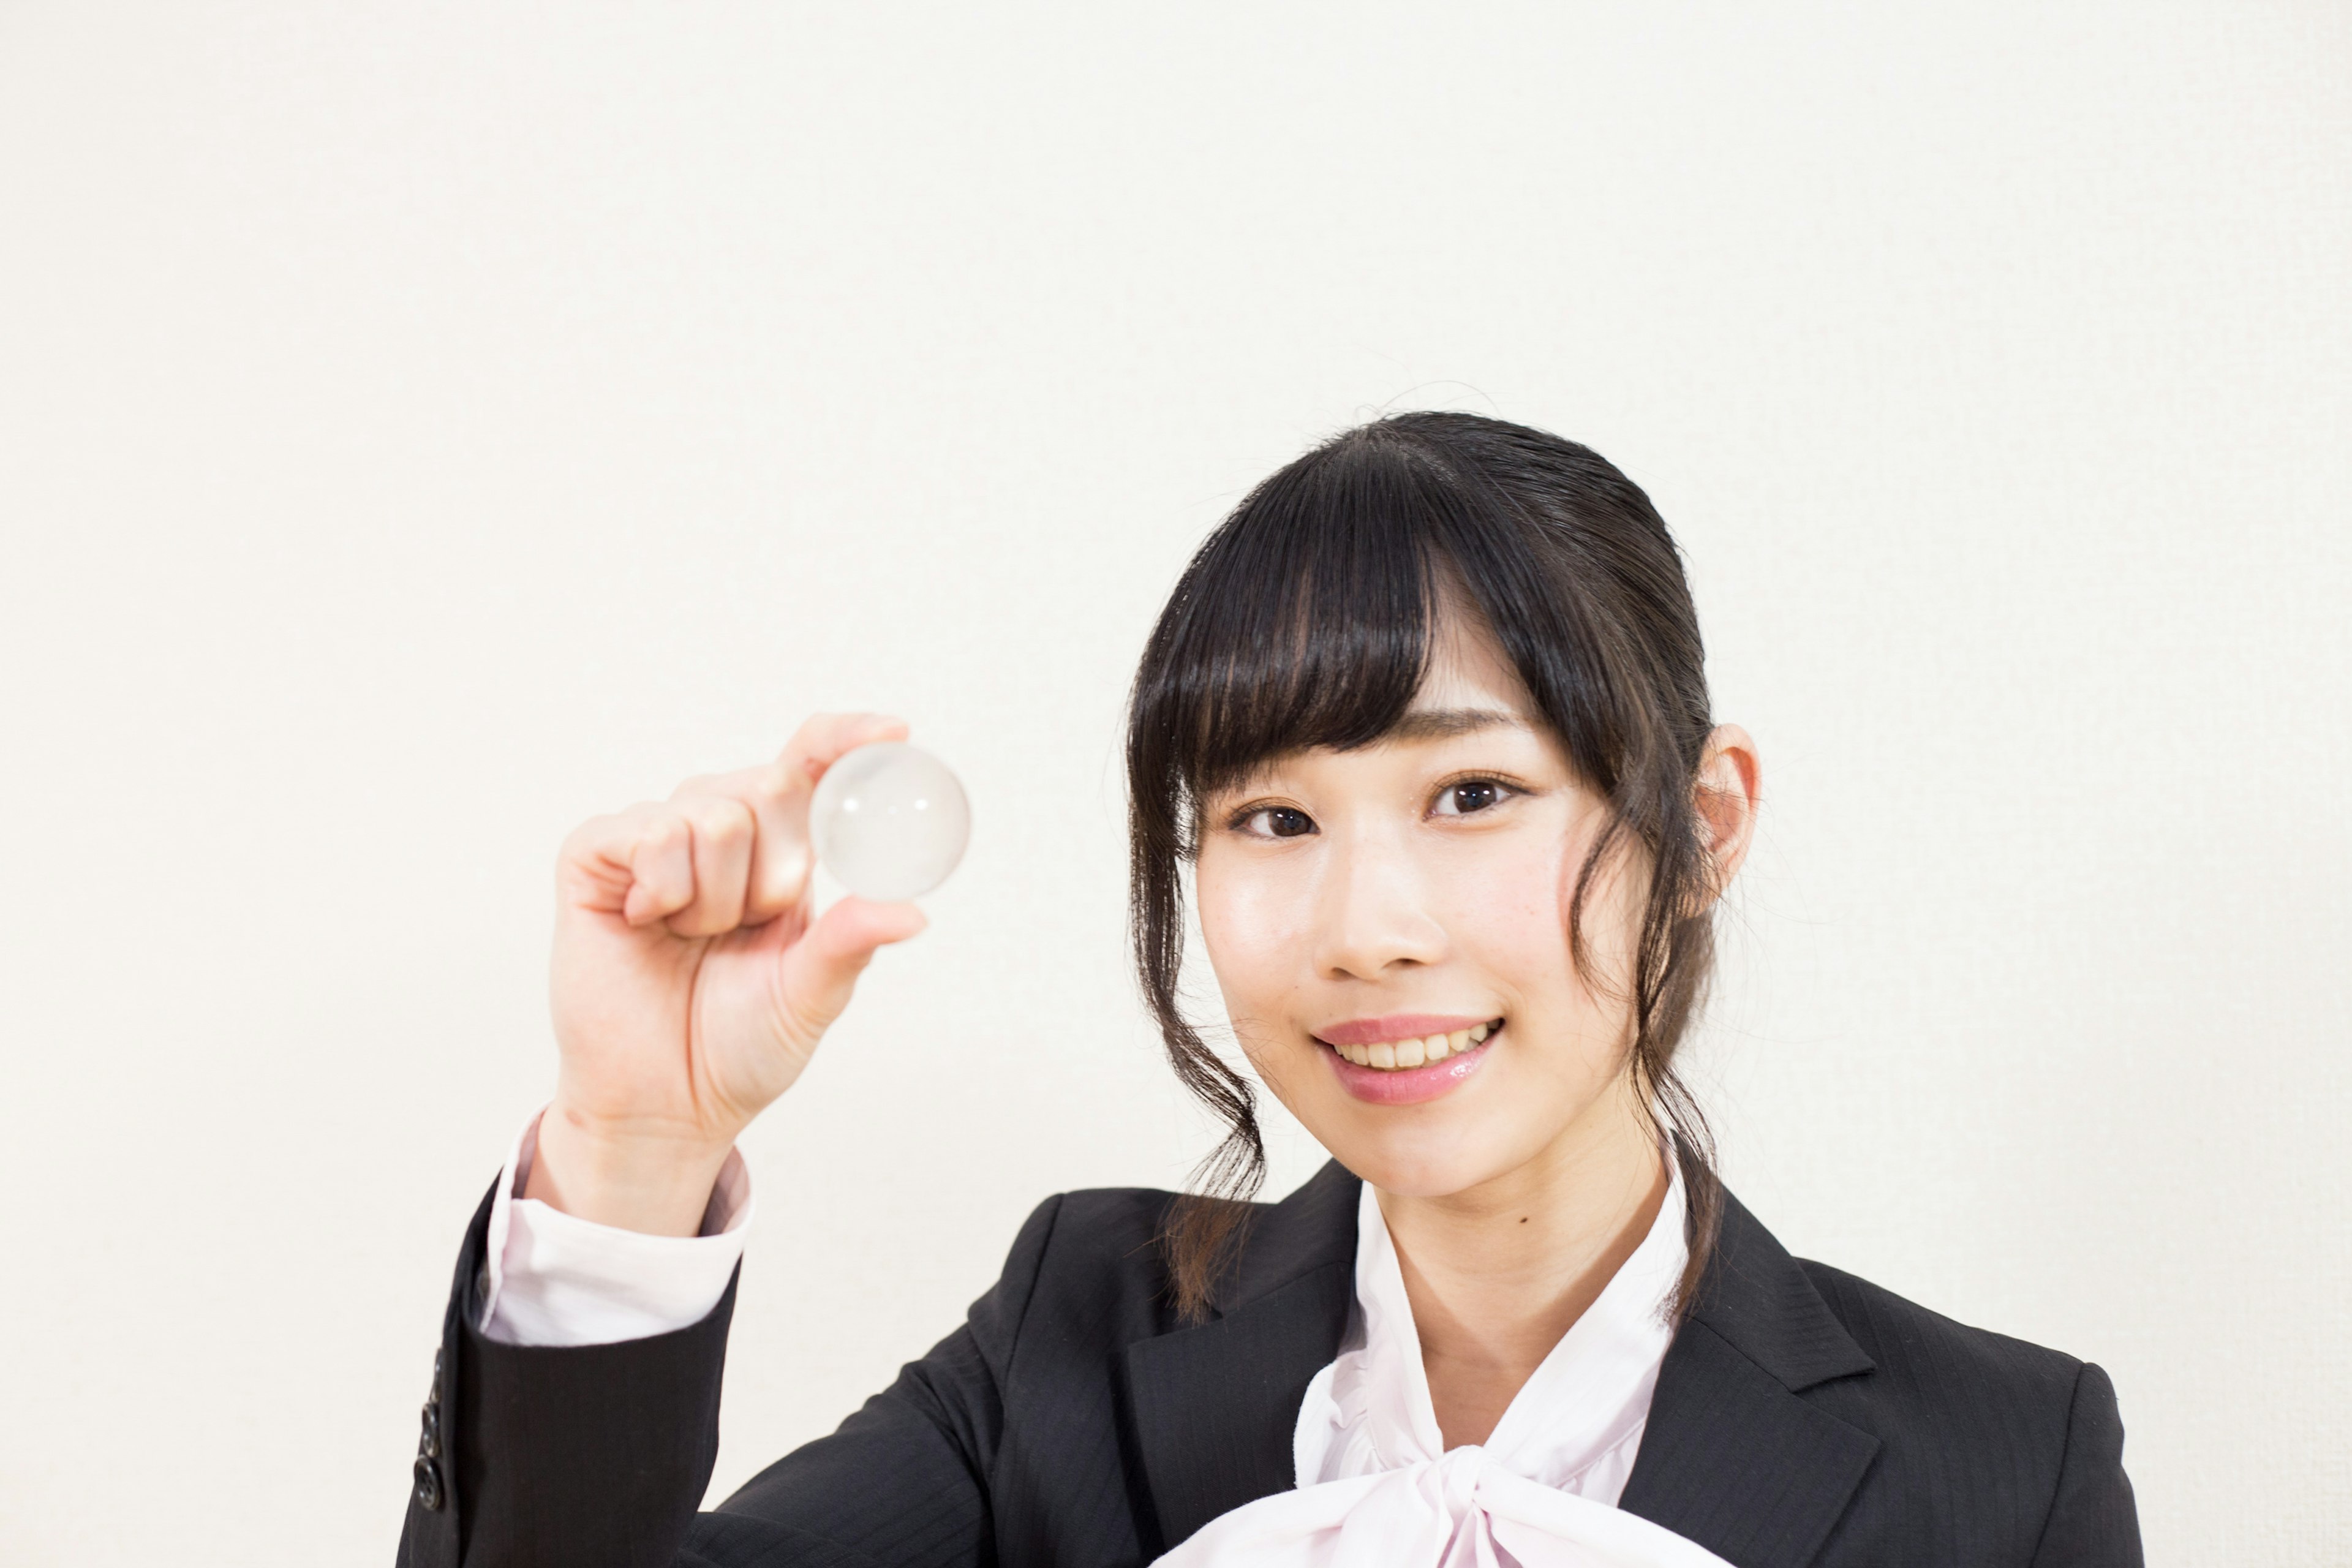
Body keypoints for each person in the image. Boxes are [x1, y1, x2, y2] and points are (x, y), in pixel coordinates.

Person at [394, 413, 2142, 1567]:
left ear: (1699, 824)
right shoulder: (1071, 1342)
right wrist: (632, 1142)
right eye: (1273, 817)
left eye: (1473, 795)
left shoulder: (2001, 1463)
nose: (1365, 930)